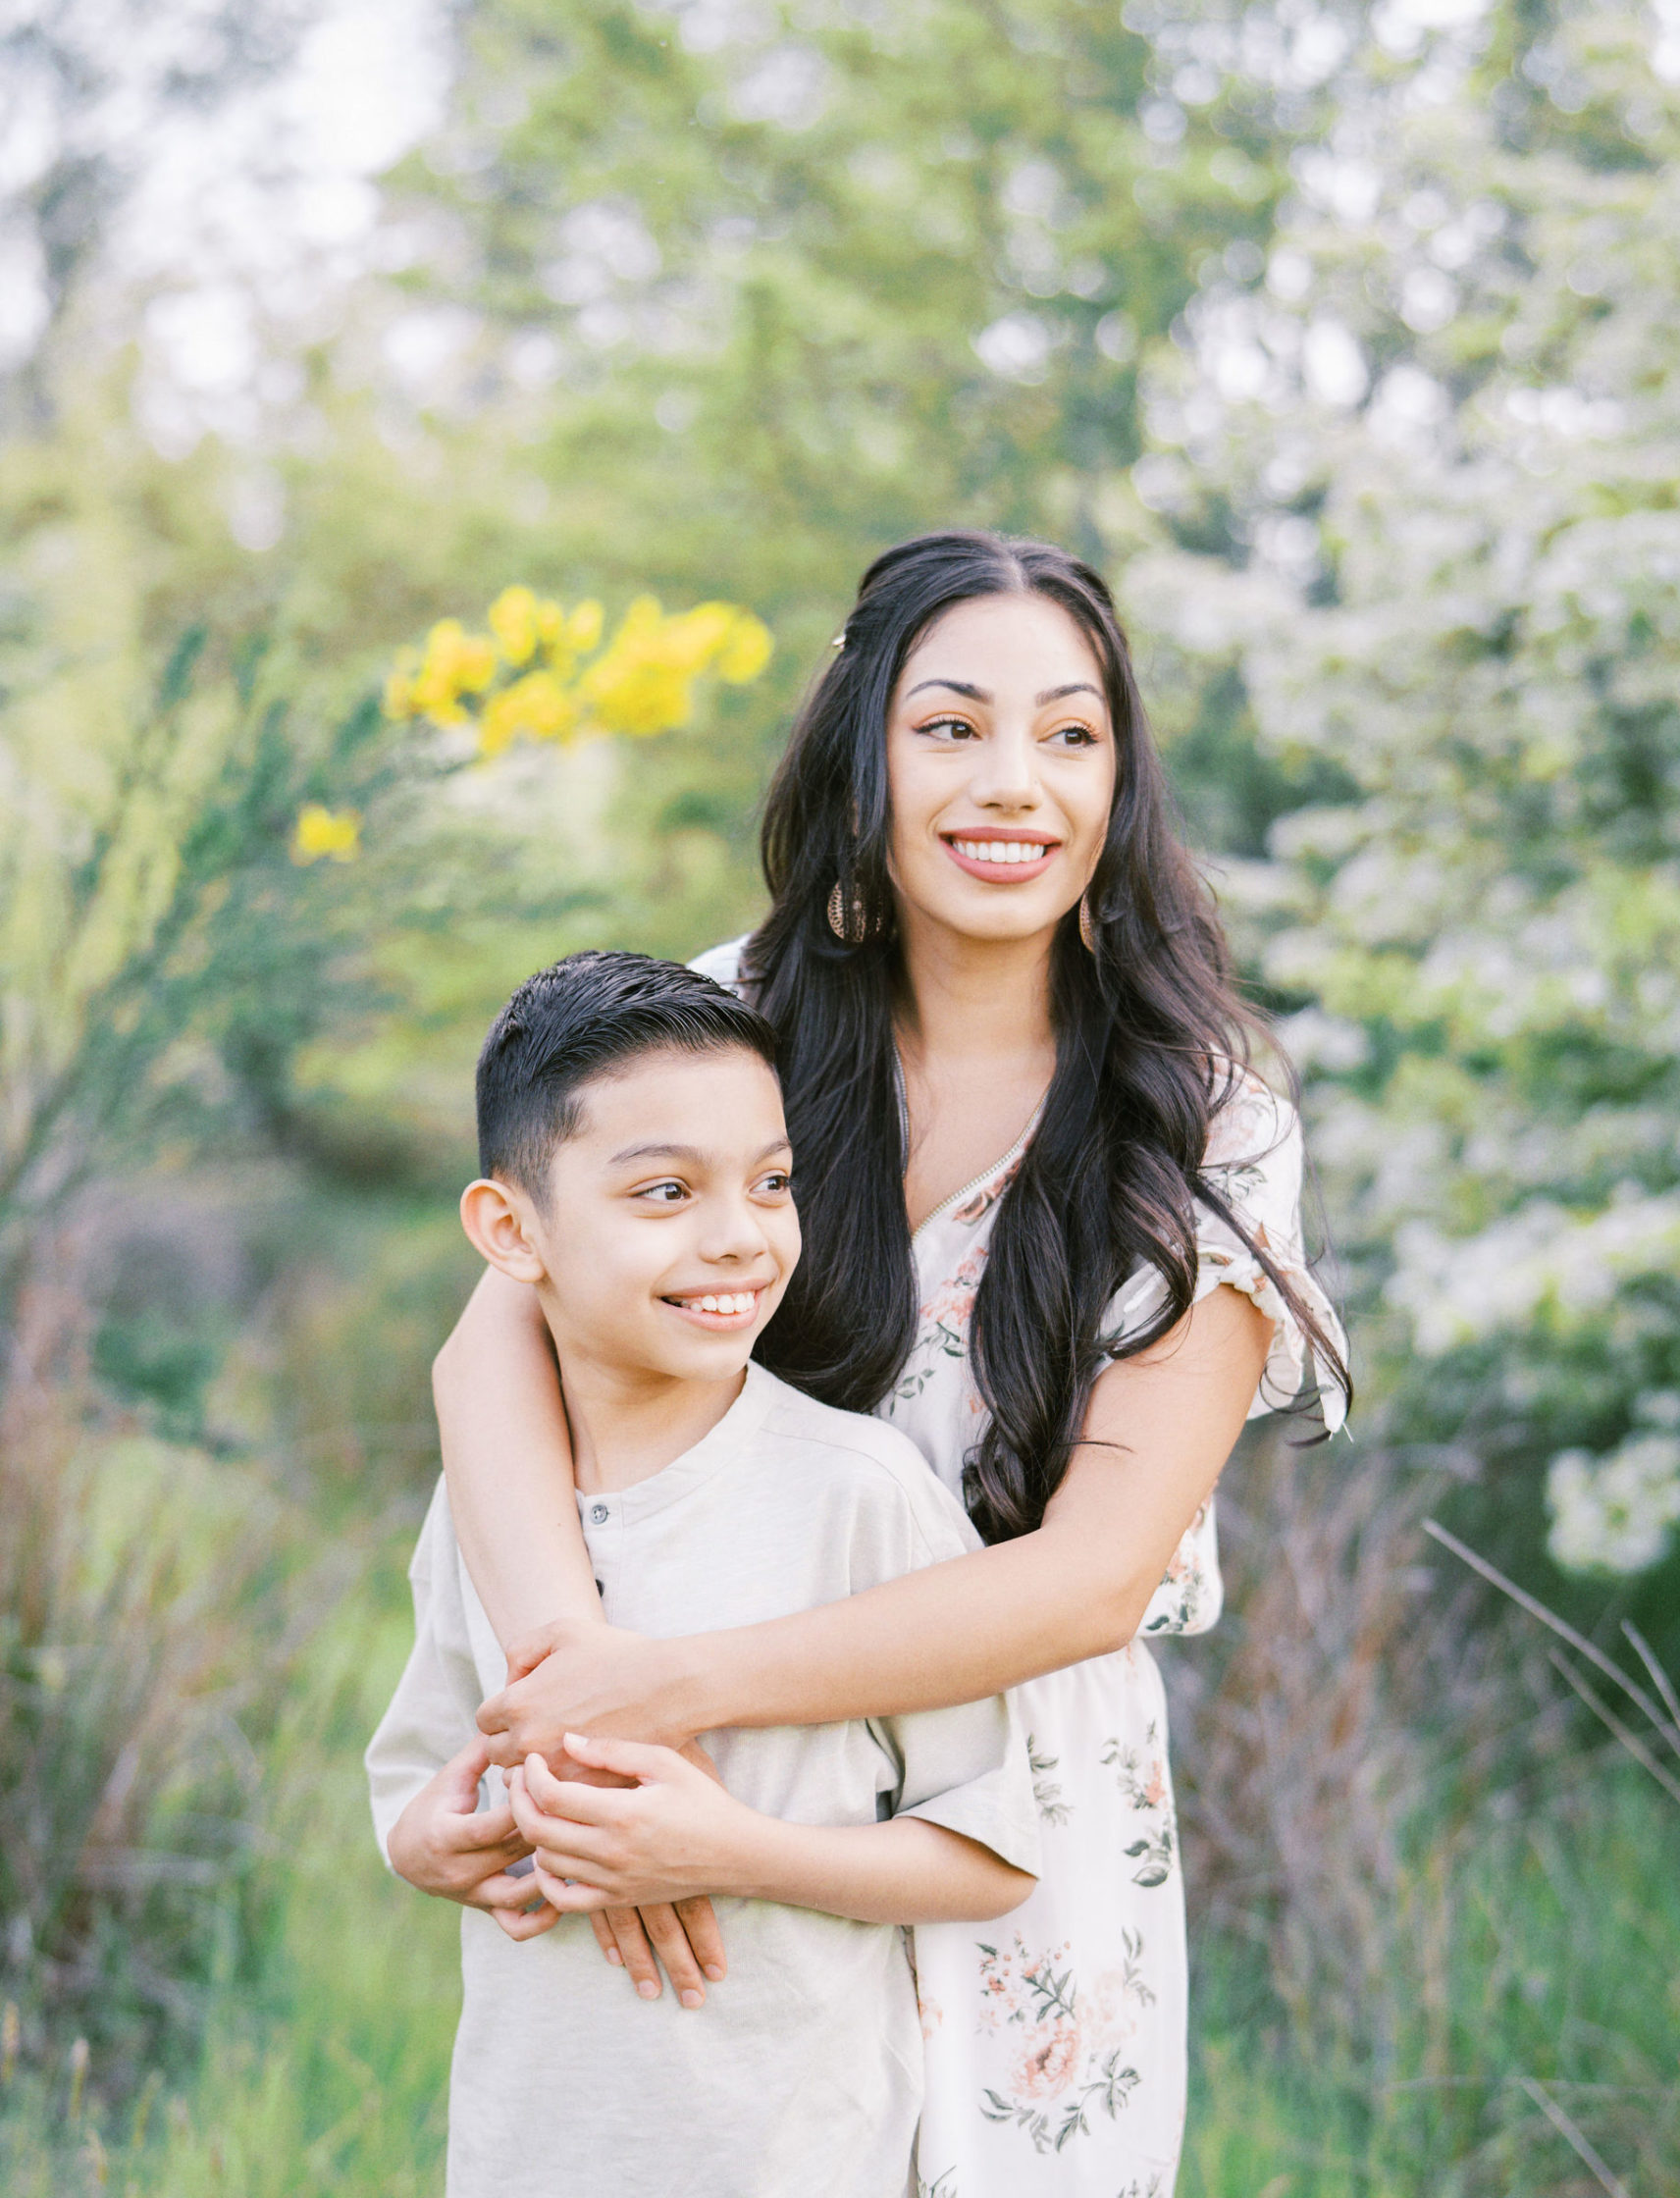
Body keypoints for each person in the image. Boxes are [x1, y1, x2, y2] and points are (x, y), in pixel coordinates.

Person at [433, 531, 1350, 2195]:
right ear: (863, 746)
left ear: (1121, 778)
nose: (1014, 784)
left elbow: (1087, 1579)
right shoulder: (730, 1020)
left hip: (1019, 1832)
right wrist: (581, 1691)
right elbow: (490, 1342)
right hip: (711, 1794)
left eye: (1070, 735)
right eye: (951, 726)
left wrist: (670, 1688)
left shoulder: (1206, 1120)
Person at [367, 950, 1039, 2198]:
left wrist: (727, 1850)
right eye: (666, 1191)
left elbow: (988, 1856)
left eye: (771, 1183)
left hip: (791, 2153)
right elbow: (418, 1787)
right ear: (512, 1231)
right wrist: (437, 1842)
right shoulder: (488, 1496)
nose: (737, 1237)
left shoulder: (858, 1492)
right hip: (534, 2148)